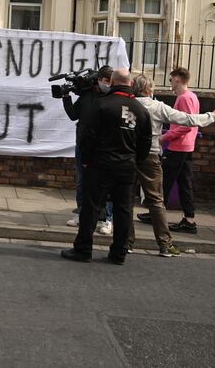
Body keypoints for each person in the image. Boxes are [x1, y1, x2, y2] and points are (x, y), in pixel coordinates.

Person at [61, 68, 151, 265]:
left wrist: (86, 159)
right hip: (126, 167)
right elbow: (145, 143)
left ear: (113, 82)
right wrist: (136, 161)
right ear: (130, 84)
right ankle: (119, 253)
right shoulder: (141, 110)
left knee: (91, 208)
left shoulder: (101, 105)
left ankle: (83, 249)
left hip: (99, 165)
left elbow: (87, 135)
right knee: (123, 210)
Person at [129, 74, 215, 256]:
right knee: (156, 201)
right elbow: (188, 120)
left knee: (126, 200)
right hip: (150, 156)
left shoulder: (127, 105)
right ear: (150, 89)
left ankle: (126, 242)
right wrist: (212, 115)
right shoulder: (157, 107)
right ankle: (165, 244)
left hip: (127, 156)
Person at [141, 68, 202, 234]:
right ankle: (189, 220)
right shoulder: (191, 97)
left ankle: (156, 214)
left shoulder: (185, 98)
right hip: (185, 146)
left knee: (163, 181)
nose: (170, 84)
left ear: (177, 79)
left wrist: (164, 137)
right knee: (184, 184)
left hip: (178, 146)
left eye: (170, 80)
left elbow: (187, 125)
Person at [62, 66, 114, 234]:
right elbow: (73, 114)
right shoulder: (86, 95)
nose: (106, 84)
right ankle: (81, 213)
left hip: (102, 147)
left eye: (109, 81)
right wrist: (65, 96)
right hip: (83, 144)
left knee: (106, 184)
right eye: (104, 80)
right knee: (81, 182)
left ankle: (108, 219)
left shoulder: (111, 98)